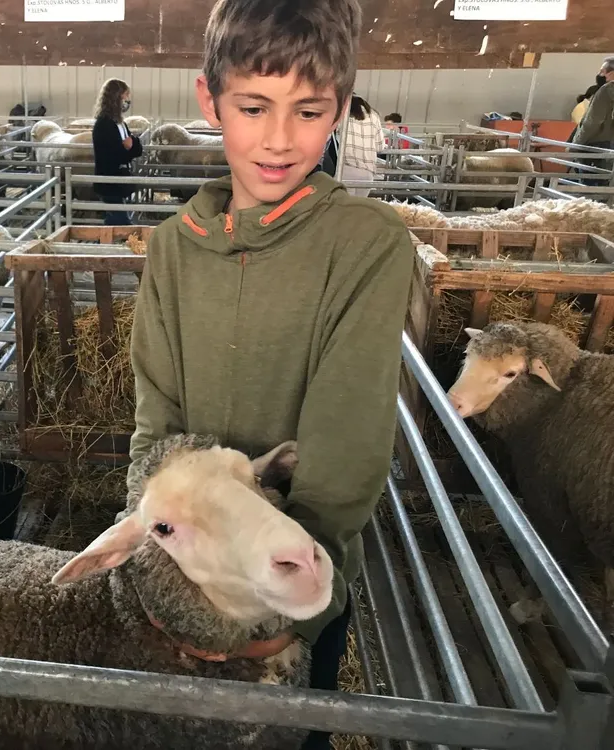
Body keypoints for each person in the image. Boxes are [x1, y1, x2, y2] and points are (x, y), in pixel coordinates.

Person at [127, 1, 412, 749]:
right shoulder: (172, 249)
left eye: (309, 110)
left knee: (287, 734)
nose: (280, 139)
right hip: (190, 573)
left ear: (341, 110)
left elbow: (346, 445)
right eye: (253, 107)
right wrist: (160, 584)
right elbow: (154, 418)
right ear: (209, 100)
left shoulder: (366, 245)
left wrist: (296, 616)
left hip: (297, 576)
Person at [91, 78, 143, 225]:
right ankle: (107, 244)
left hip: (119, 181)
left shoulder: (120, 123)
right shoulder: (103, 125)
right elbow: (114, 156)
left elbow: (137, 148)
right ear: (116, 97)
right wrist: (129, 148)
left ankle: (106, 243)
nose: (128, 100)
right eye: (125, 95)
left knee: (116, 219)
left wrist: (130, 146)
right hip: (109, 182)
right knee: (120, 221)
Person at [340, 94, 384, 197]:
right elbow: (380, 146)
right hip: (367, 172)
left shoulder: (342, 115)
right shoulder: (374, 116)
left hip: (346, 168)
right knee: (359, 207)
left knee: (344, 207)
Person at [572, 57, 614, 149]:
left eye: (602, 71)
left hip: (595, 143)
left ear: (611, 73)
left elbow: (592, 122)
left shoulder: (605, 91)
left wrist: (576, 143)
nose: (600, 75)